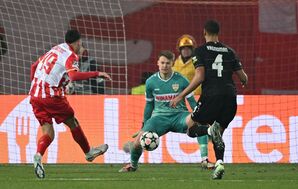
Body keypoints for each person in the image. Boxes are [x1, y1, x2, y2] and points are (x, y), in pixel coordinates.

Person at [170, 20, 248, 179]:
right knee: (218, 135)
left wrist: (181, 96)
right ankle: (219, 163)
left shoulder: (200, 51)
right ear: (218, 32)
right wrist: (243, 80)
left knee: (190, 128)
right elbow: (243, 77)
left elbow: (199, 77)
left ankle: (208, 130)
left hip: (211, 96)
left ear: (204, 32)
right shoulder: (230, 51)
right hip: (230, 98)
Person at [29, 29, 112, 179]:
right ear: (78, 41)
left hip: (34, 94)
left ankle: (38, 156)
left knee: (48, 133)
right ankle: (88, 153)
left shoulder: (56, 48)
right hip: (50, 95)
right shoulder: (71, 55)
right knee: (72, 122)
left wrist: (38, 84)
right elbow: (73, 76)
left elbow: (34, 66)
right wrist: (97, 73)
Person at [119, 50, 204, 172]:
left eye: (168, 63)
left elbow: (191, 101)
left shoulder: (182, 80)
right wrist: (144, 125)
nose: (165, 66)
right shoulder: (150, 82)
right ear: (157, 63)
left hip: (179, 116)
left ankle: (205, 160)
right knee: (137, 142)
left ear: (172, 64)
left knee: (198, 122)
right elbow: (149, 105)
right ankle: (133, 166)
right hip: (159, 118)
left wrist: (200, 116)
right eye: (162, 63)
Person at [173, 34, 213, 169]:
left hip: (198, 96)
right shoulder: (175, 63)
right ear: (179, 50)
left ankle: (205, 156)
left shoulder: (197, 61)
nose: (186, 51)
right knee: (196, 125)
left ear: (192, 49)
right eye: (183, 48)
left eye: (188, 48)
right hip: (183, 99)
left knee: (200, 123)